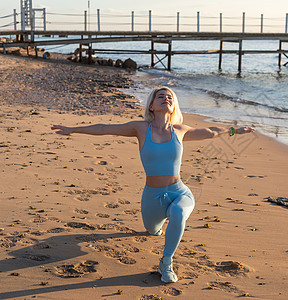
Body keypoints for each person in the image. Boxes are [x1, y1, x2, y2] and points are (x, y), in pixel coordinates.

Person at [51, 86, 255, 283]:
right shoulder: (140, 128)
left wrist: (235, 130)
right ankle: (160, 225)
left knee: (178, 213)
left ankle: (166, 263)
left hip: (179, 192)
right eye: (161, 97)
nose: (166, 99)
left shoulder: (180, 130)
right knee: (152, 230)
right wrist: (73, 130)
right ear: (151, 106)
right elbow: (105, 129)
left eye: (170, 97)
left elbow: (210, 131)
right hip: (152, 198)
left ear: (174, 106)